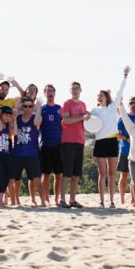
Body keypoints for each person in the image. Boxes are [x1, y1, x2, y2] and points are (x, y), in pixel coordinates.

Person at [89, 67, 129, 207]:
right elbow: (88, 124)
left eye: (101, 95)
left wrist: (125, 75)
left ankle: (112, 201)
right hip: (100, 143)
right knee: (102, 174)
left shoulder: (113, 107)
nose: (99, 97)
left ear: (106, 97)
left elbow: (120, 91)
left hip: (112, 142)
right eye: (97, 95)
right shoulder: (94, 110)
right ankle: (101, 201)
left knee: (112, 174)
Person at [59, 79, 90, 208]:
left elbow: (86, 123)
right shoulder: (66, 103)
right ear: (70, 90)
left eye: (77, 87)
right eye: (73, 88)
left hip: (80, 141)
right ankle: (62, 200)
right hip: (68, 142)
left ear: (80, 90)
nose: (75, 90)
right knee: (66, 173)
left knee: (76, 173)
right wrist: (82, 117)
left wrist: (89, 117)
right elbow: (66, 120)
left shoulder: (83, 105)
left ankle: (72, 199)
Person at [10, 97, 44, 207]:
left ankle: (43, 202)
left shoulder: (35, 117)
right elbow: (14, 133)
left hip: (32, 154)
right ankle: (16, 201)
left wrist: (38, 109)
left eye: (30, 106)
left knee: (37, 180)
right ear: (22, 107)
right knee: (15, 180)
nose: (27, 108)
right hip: (17, 154)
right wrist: (15, 114)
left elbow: (36, 122)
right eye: (25, 106)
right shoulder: (17, 118)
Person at [39, 84, 64, 206]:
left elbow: (65, 124)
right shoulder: (42, 109)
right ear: (45, 94)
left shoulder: (60, 108)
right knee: (46, 174)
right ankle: (45, 198)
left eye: (52, 91)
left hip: (58, 145)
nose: (50, 93)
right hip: (45, 145)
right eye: (48, 91)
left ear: (54, 93)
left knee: (59, 174)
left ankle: (56, 198)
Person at [116, 96, 135, 204]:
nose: (134, 105)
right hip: (125, 150)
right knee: (124, 176)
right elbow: (117, 134)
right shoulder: (122, 118)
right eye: (131, 103)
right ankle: (121, 199)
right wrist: (126, 138)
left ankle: (133, 199)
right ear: (128, 105)